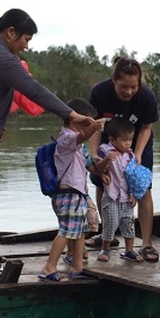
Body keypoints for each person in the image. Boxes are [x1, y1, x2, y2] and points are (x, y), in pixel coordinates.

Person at [0, 9, 98, 275]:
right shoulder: (1, 56)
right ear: (11, 33)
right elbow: (34, 90)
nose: (26, 46)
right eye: (25, 39)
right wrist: (70, 113)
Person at [88, 57, 160, 262]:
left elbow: (146, 127)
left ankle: (146, 243)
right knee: (104, 183)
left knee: (142, 188)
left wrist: (136, 154)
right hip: (108, 141)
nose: (128, 92)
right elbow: (95, 126)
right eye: (124, 87)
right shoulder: (100, 93)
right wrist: (94, 155)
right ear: (114, 80)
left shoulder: (146, 96)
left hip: (137, 143)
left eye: (133, 87)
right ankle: (108, 235)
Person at [38, 99, 105, 282]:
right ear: (74, 120)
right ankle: (49, 267)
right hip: (67, 194)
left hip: (79, 194)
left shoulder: (80, 148)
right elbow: (81, 137)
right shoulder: (67, 138)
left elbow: (92, 167)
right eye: (85, 122)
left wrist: (106, 166)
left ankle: (77, 266)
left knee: (79, 231)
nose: (88, 127)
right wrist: (95, 126)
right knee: (66, 231)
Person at [91, 116, 141, 263]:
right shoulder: (104, 150)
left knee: (129, 223)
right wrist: (107, 159)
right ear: (112, 139)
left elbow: (134, 176)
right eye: (124, 140)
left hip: (126, 196)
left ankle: (129, 250)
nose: (128, 143)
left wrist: (135, 194)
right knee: (110, 223)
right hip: (112, 195)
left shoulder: (130, 155)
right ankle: (105, 248)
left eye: (130, 140)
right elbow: (99, 169)